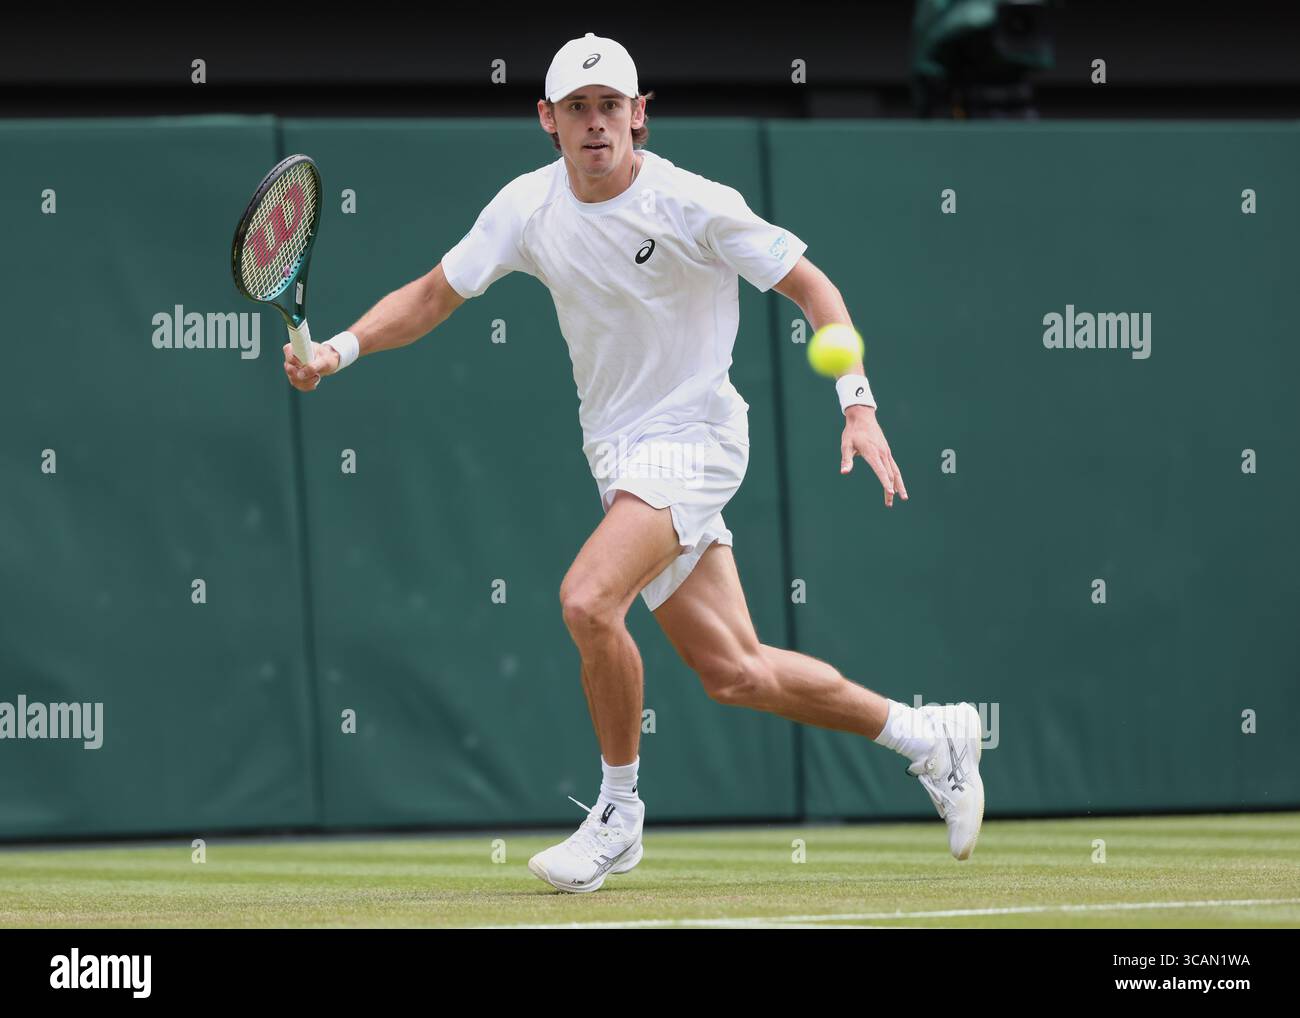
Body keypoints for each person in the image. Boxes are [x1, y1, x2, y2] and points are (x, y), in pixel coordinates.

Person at [286, 32, 986, 894]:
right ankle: (932, 738)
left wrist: (858, 402)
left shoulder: (696, 203)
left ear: (639, 115)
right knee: (737, 669)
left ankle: (618, 812)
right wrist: (338, 351)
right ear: (546, 119)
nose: (595, 124)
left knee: (587, 599)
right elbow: (434, 295)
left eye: (610, 106)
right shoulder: (523, 209)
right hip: (618, 453)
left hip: (697, 437)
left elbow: (815, 289)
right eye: (576, 108)